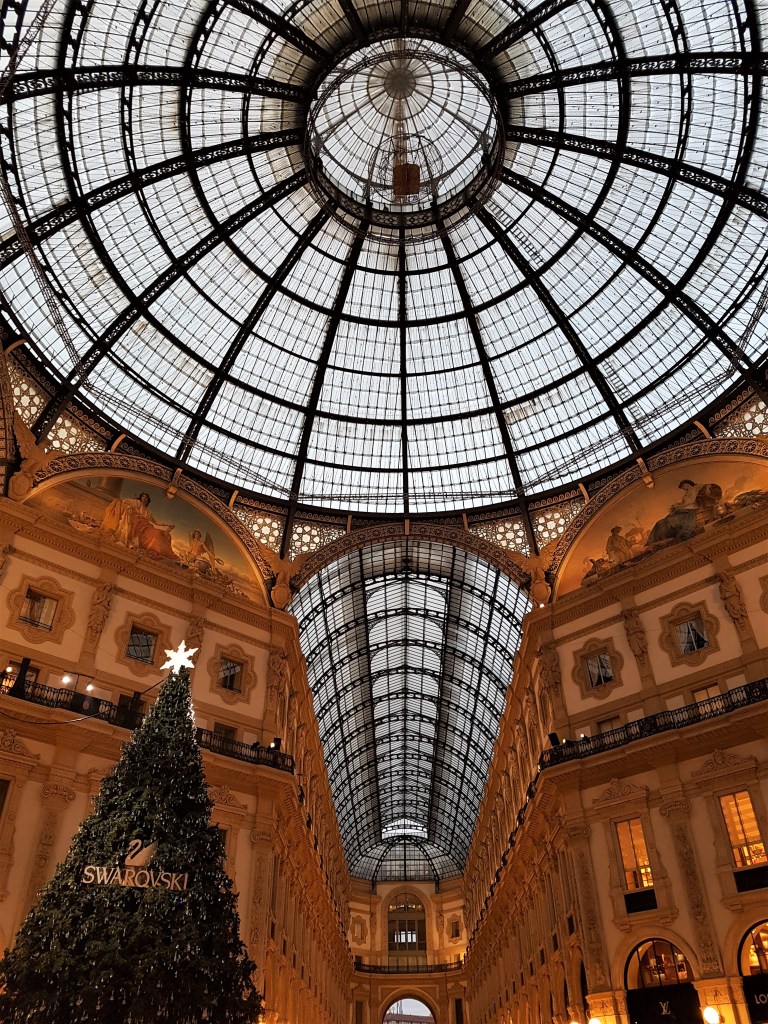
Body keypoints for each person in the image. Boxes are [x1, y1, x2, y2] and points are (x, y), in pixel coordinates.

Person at [647, 479, 700, 546]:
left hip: (689, 511)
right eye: (683, 488)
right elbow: (686, 503)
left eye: (683, 487)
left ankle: (662, 538)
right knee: (661, 522)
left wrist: (679, 507)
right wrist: (677, 506)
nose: (683, 489)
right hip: (684, 510)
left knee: (669, 520)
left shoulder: (694, 490)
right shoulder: (689, 492)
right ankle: (654, 541)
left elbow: (691, 503)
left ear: (687, 484)